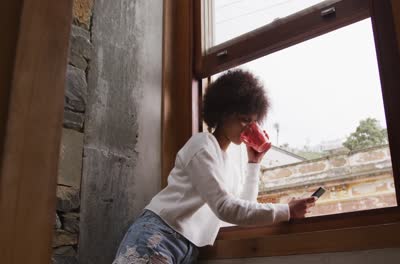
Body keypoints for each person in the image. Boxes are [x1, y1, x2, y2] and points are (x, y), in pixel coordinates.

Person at [113, 69, 317, 264]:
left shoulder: (230, 163)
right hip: (158, 235)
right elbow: (225, 208)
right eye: (244, 119)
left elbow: (240, 210)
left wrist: (254, 164)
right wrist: (286, 210)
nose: (249, 128)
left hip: (186, 248)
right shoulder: (202, 144)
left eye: (253, 122)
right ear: (223, 113)